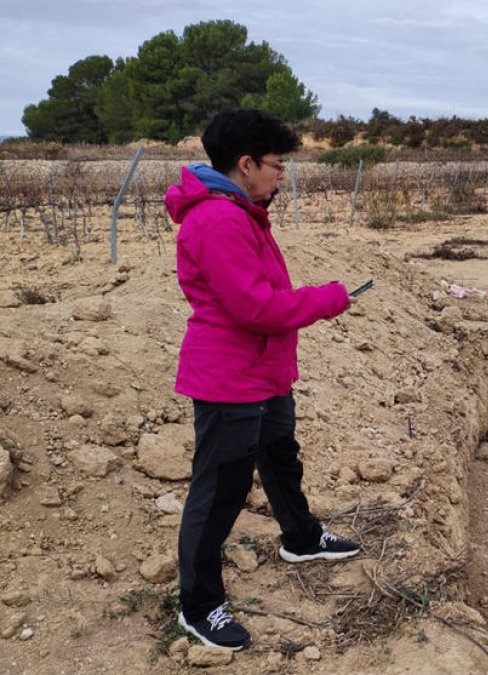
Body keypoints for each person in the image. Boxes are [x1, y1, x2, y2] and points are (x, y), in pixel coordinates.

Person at [166, 108, 362, 651]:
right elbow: (255, 306)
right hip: (230, 378)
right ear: (247, 164)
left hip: (263, 371)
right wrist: (326, 299)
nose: (282, 176)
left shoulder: (241, 211)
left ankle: (301, 538)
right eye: (277, 165)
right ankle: (199, 606)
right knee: (220, 492)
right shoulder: (218, 220)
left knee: (280, 458)